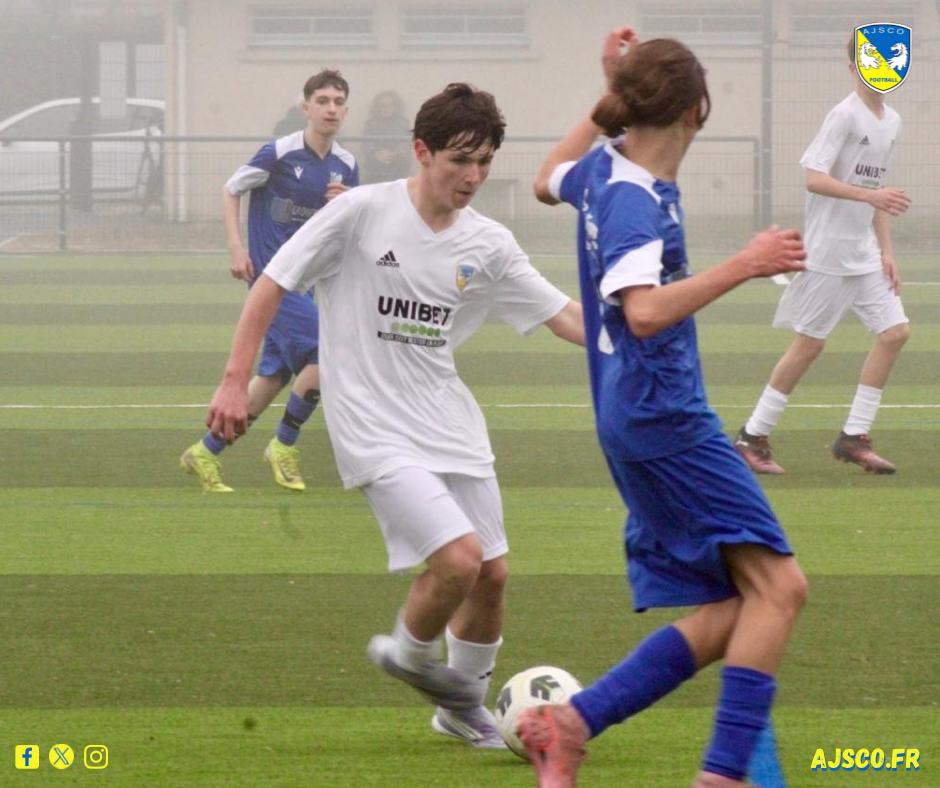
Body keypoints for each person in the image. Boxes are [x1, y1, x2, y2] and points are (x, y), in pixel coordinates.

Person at [205, 83, 584, 746]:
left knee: (492, 574)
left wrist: (642, 331)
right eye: (459, 160)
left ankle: (456, 710)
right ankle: (410, 656)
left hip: (449, 419)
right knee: (459, 561)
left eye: (484, 162)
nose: (472, 176)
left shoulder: (489, 242)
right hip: (373, 424)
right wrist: (235, 381)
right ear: (421, 151)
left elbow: (566, 317)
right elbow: (271, 282)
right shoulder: (360, 212)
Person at [519, 29, 809, 788]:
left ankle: (571, 724)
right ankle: (722, 775)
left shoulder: (599, 168)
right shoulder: (633, 198)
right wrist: (745, 264)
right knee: (782, 589)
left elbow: (545, 178)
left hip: (635, 415)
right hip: (663, 417)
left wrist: (606, 95)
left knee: (739, 605)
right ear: (696, 112)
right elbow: (644, 312)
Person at [735, 36, 911, 475]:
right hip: (829, 251)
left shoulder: (892, 121)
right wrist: (870, 195)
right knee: (809, 345)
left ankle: (854, 437)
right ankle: (751, 437)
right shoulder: (843, 115)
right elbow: (814, 178)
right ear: (854, 68)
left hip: (864, 252)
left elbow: (876, 192)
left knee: (895, 333)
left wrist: (887, 251)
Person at [180, 69, 359, 492]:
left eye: (338, 102)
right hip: (272, 281)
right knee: (329, 353)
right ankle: (283, 445)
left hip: (306, 283)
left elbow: (350, 227)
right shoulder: (279, 153)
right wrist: (235, 247)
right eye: (322, 101)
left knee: (274, 377)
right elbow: (231, 189)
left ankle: (204, 452)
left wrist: (347, 204)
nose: (331, 109)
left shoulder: (346, 166)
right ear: (306, 108)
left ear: (346, 111)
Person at [361, 90, 412, 183]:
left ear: (395, 106)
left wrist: (394, 154)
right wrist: (376, 154)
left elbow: (406, 144)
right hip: (375, 171)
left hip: (398, 171)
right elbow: (367, 144)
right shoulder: (371, 123)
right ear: (377, 107)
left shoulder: (403, 123)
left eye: (389, 105)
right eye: (382, 105)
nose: (386, 108)